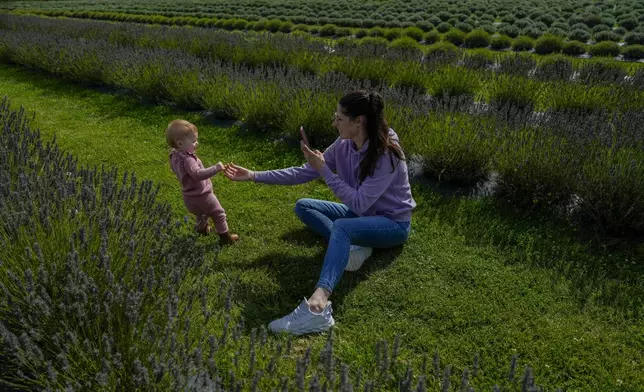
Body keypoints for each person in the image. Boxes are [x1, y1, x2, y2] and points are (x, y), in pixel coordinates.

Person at [224, 91, 416, 335]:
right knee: (304, 205)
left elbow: (357, 203)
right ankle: (351, 250)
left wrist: (325, 171)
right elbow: (304, 172)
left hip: (392, 224)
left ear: (360, 121)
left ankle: (317, 307)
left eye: (339, 118)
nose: (334, 123)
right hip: (362, 216)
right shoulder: (344, 145)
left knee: (343, 227)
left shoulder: (387, 153)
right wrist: (253, 175)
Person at [166, 119, 239, 245]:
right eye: (193, 141)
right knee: (218, 213)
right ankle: (225, 238)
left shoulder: (174, 156)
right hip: (202, 195)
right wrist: (216, 168)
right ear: (180, 143)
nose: (196, 143)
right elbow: (197, 174)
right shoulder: (188, 159)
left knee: (202, 213)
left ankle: (202, 230)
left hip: (189, 197)